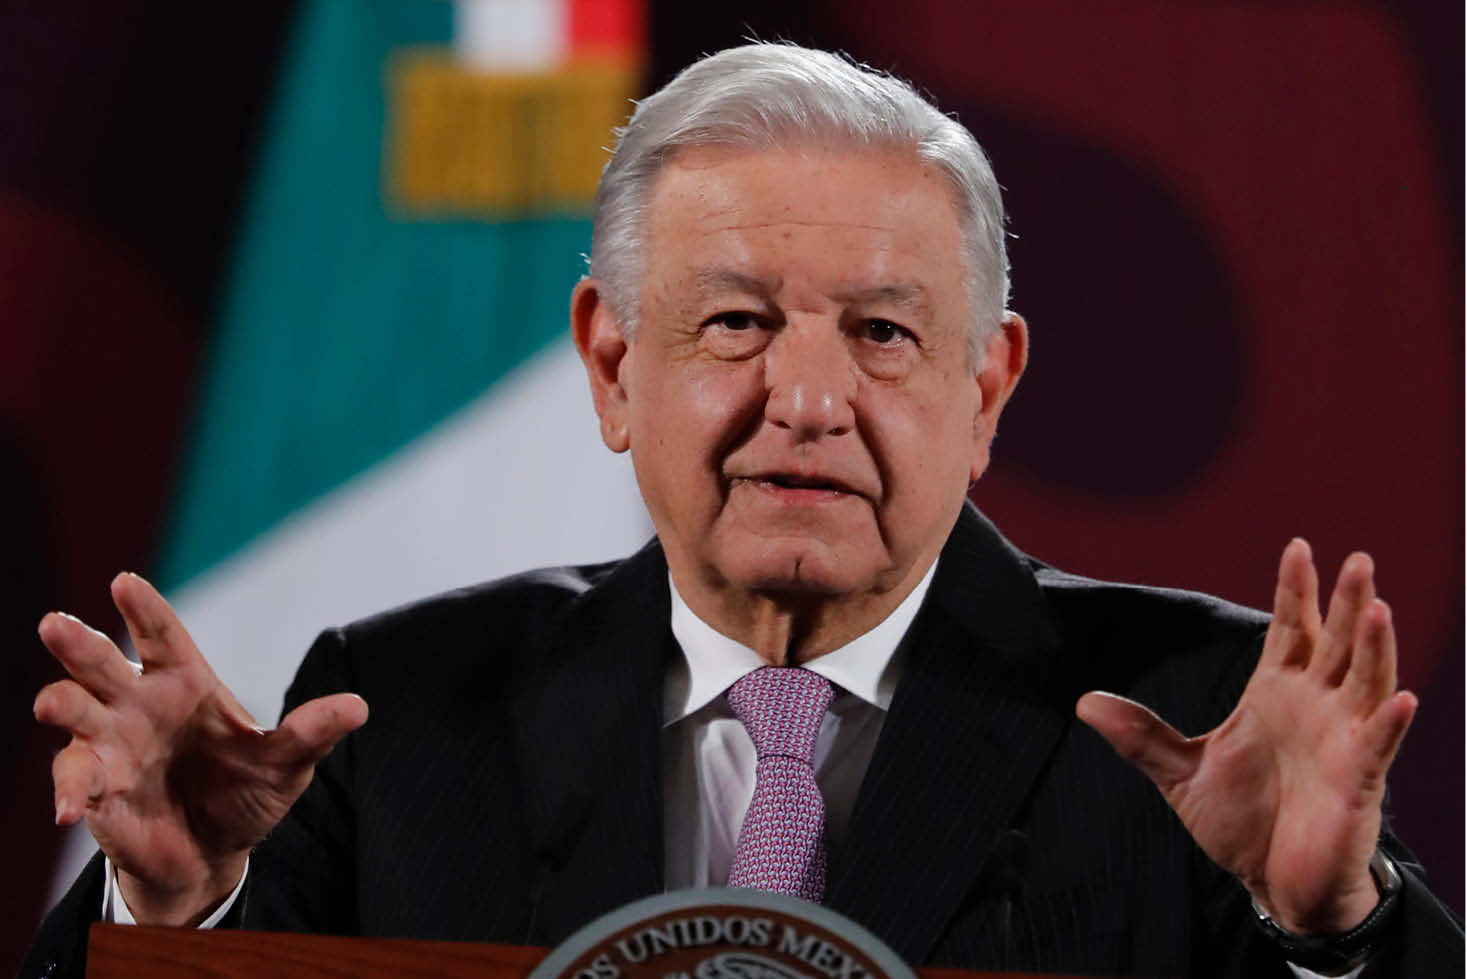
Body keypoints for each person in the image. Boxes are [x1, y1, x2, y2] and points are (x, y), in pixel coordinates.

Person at [23, 43, 1462, 978]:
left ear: (988, 389)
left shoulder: (1188, 719)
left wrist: (1332, 935)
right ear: (611, 363)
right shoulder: (402, 716)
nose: (810, 399)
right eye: (734, 323)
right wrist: (178, 918)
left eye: (886, 336)